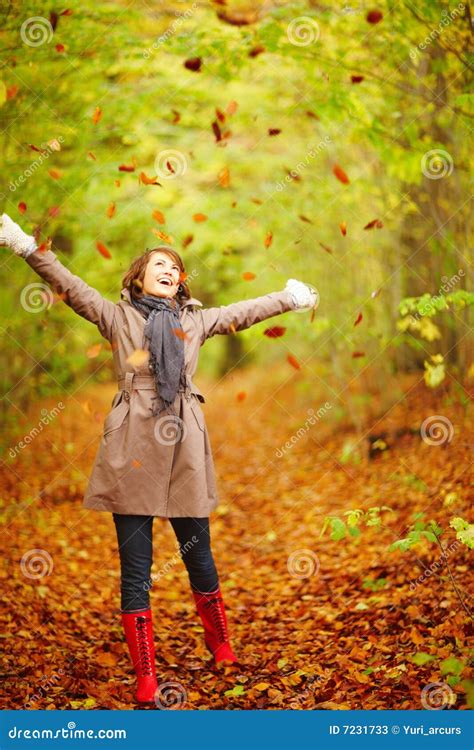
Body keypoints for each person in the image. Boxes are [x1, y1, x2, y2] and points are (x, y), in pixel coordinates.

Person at [0, 212, 318, 705]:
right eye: (159, 264)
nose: (169, 270)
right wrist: (25, 246)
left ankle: (221, 642)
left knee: (200, 556)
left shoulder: (195, 320)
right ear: (139, 276)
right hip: (131, 445)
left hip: (185, 444)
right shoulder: (116, 316)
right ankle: (146, 675)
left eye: (175, 266)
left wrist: (289, 298)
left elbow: (245, 311)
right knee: (136, 566)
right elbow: (68, 283)